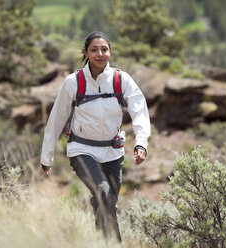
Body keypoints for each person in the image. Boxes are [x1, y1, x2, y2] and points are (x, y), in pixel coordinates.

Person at [40, 31, 151, 242]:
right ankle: (115, 244)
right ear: (85, 53)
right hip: (82, 149)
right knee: (103, 191)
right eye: (94, 50)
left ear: (110, 51)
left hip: (113, 151)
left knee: (108, 202)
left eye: (104, 49)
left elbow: (139, 109)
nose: (100, 54)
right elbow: (56, 119)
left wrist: (141, 143)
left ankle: (101, 242)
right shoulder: (73, 82)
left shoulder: (121, 79)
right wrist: (47, 157)